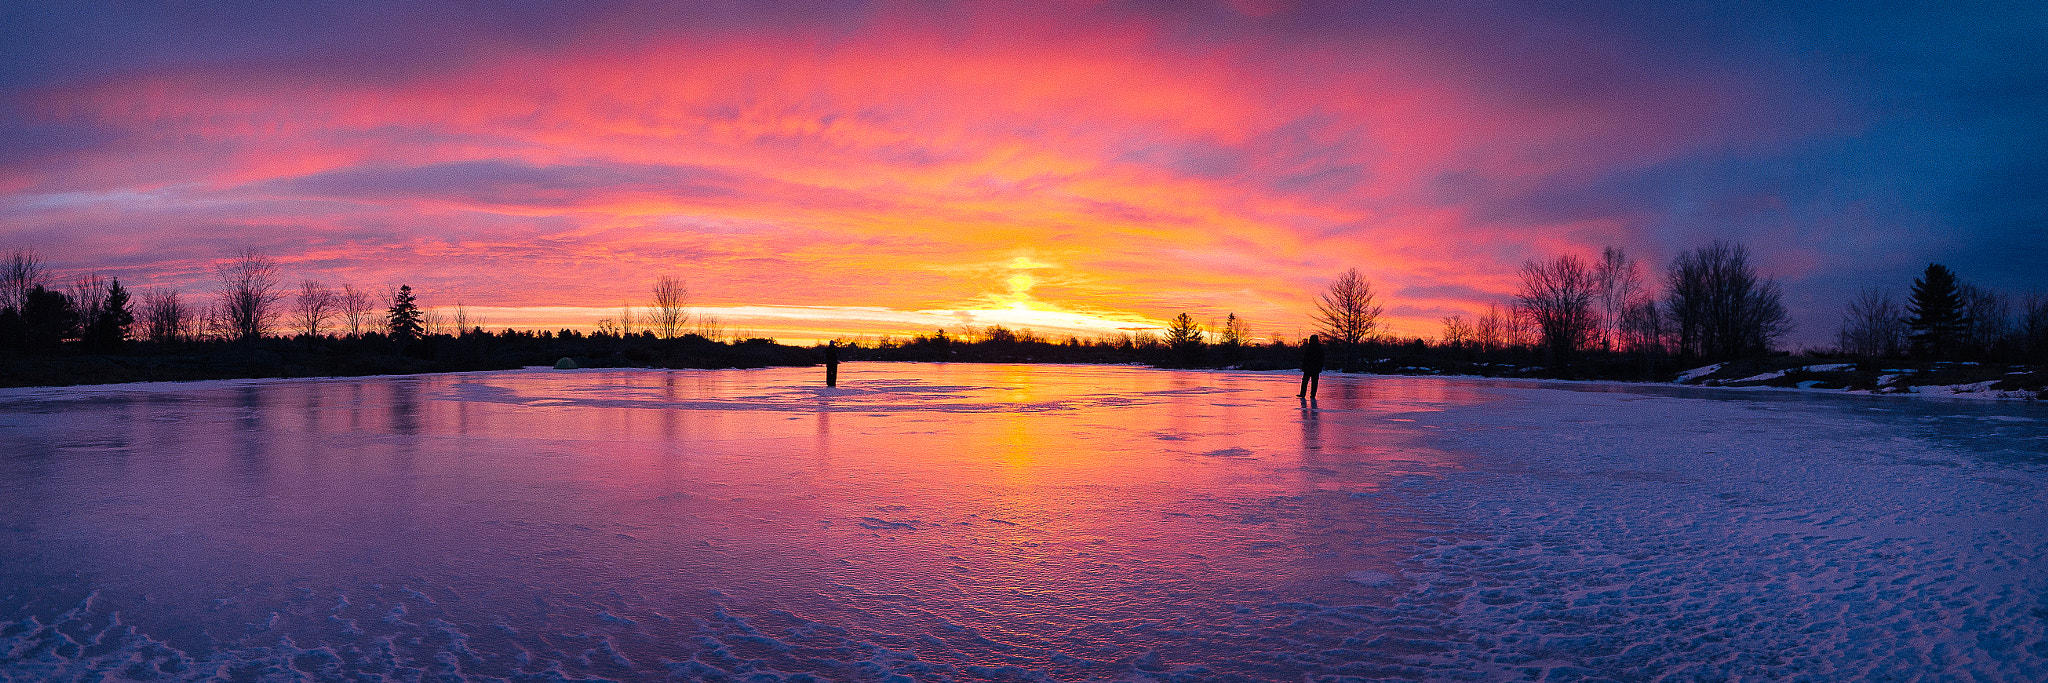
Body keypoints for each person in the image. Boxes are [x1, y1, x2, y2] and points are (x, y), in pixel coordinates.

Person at [1298, 334, 1323, 400]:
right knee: (1313, 382)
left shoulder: (1310, 347)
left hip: (1309, 368)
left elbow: (1306, 358)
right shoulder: (1318, 348)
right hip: (1313, 368)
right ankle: (1311, 395)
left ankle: (1304, 394)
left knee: (1306, 381)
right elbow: (1321, 359)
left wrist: (1304, 366)